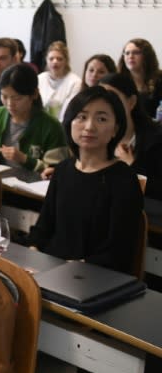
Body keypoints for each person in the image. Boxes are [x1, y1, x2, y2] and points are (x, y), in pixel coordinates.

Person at [28, 86, 144, 275]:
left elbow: (118, 253)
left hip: (92, 277)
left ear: (115, 129)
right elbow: (43, 229)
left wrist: (68, 268)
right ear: (70, 122)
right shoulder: (63, 170)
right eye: (81, 117)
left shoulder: (124, 180)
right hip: (50, 269)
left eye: (101, 119)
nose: (89, 126)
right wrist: (33, 252)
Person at [0, 63, 68, 173]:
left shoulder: (52, 127)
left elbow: (56, 171)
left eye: (17, 98)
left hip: (33, 188)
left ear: (34, 94)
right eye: (4, 96)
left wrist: (24, 159)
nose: (10, 104)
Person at [99, 73, 162, 199]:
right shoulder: (97, 137)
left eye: (113, 97)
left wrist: (132, 165)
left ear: (131, 102)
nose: (105, 104)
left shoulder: (155, 139)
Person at [117, 38, 162, 119]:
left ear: (147, 55)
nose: (130, 56)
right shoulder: (118, 81)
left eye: (136, 53)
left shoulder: (159, 79)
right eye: (127, 53)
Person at [37, 40, 81, 121]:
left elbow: (69, 111)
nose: (55, 62)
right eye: (51, 59)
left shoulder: (75, 82)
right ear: (46, 60)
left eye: (59, 59)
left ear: (66, 61)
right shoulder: (40, 78)